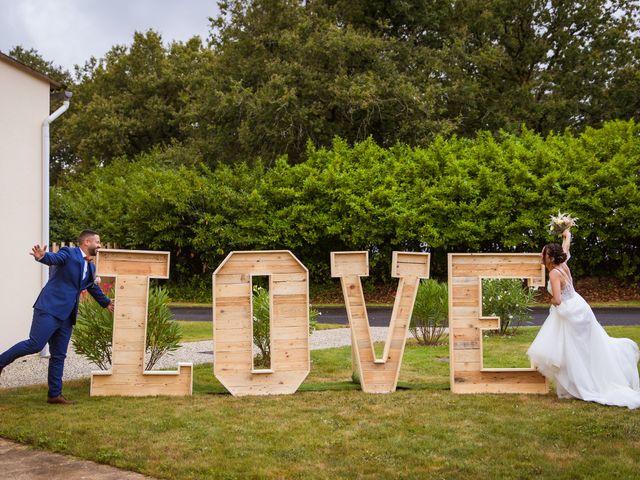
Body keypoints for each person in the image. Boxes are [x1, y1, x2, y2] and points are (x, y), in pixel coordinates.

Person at [527, 228, 640, 409]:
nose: (541, 255)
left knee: (575, 350)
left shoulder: (554, 273)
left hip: (571, 313)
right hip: (580, 308)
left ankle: (584, 384)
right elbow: (566, 249)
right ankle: (584, 379)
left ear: (550, 258)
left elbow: (557, 299)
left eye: (544, 253)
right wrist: (567, 234)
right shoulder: (563, 265)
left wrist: (548, 301)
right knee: (585, 348)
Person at [0, 230, 114, 404]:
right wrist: (42, 257)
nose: (99, 245)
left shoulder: (90, 266)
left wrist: (106, 303)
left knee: (59, 355)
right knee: (35, 344)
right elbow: (54, 258)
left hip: (67, 316)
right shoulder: (69, 253)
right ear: (86, 242)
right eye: (97, 242)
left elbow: (91, 287)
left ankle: (54, 395)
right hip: (49, 309)